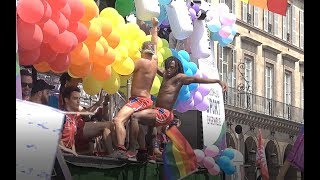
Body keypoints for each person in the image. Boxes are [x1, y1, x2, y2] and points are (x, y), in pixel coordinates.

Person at [129, 56, 227, 160]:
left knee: (135, 117)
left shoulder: (180, 78)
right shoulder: (166, 74)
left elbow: (196, 79)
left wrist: (217, 81)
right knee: (147, 127)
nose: (169, 70)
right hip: (157, 111)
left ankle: (131, 149)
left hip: (165, 113)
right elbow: (155, 66)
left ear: (177, 68)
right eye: (168, 67)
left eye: (172, 67)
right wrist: (145, 57)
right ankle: (147, 152)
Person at [112, 17, 160, 159]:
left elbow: (124, 70)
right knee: (136, 122)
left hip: (139, 100)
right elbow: (155, 43)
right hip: (147, 100)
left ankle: (122, 148)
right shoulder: (154, 62)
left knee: (118, 120)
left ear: (141, 50)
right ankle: (143, 150)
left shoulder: (140, 62)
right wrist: (155, 27)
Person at [59, 86, 116, 156]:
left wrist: (74, 153)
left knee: (107, 127)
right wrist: (68, 153)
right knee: (108, 125)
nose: (78, 101)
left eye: (79, 98)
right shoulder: (61, 117)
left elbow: (72, 140)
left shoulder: (74, 117)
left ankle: (113, 153)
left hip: (70, 154)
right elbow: (56, 142)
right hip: (62, 155)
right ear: (66, 100)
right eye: (75, 98)